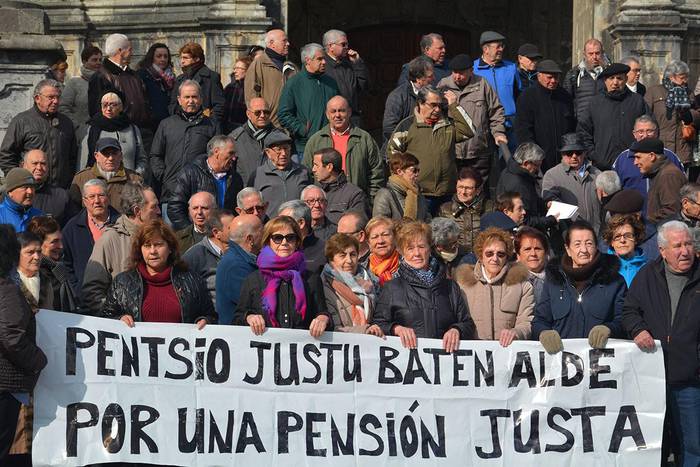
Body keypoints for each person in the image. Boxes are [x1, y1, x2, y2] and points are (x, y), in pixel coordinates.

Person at [622, 221, 700, 467]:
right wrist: (638, 329)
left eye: (688, 244)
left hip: (691, 380)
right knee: (654, 444)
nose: (685, 251)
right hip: (653, 379)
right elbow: (629, 310)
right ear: (662, 250)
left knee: (692, 444)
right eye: (677, 246)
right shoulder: (648, 275)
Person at [372, 221, 476, 351]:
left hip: (445, 363)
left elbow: (467, 324)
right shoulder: (392, 288)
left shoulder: (450, 287)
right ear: (402, 253)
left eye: (421, 247)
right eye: (410, 248)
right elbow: (378, 324)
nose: (416, 253)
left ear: (429, 249)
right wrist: (396, 328)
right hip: (408, 363)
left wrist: (457, 330)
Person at [533, 220, 626, 353]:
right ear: (568, 249)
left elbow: (623, 319)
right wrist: (543, 332)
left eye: (589, 244)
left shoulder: (614, 281)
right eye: (577, 244)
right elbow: (539, 320)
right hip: (562, 363)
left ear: (596, 246)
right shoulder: (554, 281)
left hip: (601, 364)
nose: (583, 250)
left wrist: (609, 328)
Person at [102, 218, 216, 326]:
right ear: (140, 249)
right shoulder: (122, 283)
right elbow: (105, 318)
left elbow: (210, 315)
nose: (152, 251)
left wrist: (205, 321)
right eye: (147, 245)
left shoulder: (191, 280)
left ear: (170, 248)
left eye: (158, 245)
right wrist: (118, 320)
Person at [234, 215, 331, 335]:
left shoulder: (311, 279)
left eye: (290, 238)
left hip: (301, 349)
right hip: (265, 349)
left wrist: (323, 319)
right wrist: (249, 317)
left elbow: (322, 312)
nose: (284, 242)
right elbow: (237, 319)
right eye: (278, 238)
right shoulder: (253, 279)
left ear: (297, 242)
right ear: (268, 242)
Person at [386, 86, 474, 213]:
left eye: (440, 105)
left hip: (447, 193)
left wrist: (454, 106)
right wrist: (404, 183)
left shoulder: (448, 124)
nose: (437, 109)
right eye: (433, 105)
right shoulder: (407, 125)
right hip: (419, 194)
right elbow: (393, 156)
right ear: (420, 103)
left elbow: (469, 131)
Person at [0, 224, 47, 462]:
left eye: (40, 251)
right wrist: (39, 360)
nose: (37, 257)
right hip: (9, 382)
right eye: (30, 251)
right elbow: (11, 337)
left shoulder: (53, 280)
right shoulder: (8, 288)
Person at [82, 182, 161, 313]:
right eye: (154, 207)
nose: (159, 211)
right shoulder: (110, 240)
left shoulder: (163, 238)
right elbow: (92, 291)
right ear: (137, 211)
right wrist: (114, 317)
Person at [150, 79, 218, 217]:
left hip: (200, 196)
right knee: (172, 238)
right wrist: (165, 178)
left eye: (194, 97)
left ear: (201, 99)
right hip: (171, 195)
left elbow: (216, 158)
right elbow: (155, 155)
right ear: (179, 99)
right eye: (187, 97)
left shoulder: (212, 125)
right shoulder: (166, 125)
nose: (191, 101)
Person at [454, 227, 534, 344]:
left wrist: (516, 332)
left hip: (507, 353)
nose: (495, 259)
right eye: (489, 253)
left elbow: (527, 322)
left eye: (500, 254)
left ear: (507, 257)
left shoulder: (522, 286)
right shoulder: (462, 284)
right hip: (473, 356)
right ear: (481, 255)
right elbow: (456, 320)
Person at [437, 53, 506, 188]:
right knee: (456, 189)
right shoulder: (443, 85)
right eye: (454, 72)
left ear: (471, 71)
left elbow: (496, 111)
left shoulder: (482, 84)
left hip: (479, 149)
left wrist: (498, 133)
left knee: (479, 188)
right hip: (453, 151)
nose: (457, 77)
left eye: (461, 73)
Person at [303, 96, 384, 199]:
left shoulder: (364, 139)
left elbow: (376, 173)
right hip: (324, 202)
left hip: (357, 201)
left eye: (341, 111)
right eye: (333, 111)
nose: (337, 115)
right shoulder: (315, 141)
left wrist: (371, 201)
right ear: (327, 115)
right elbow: (307, 174)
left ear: (349, 112)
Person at [0, 79, 76, 188]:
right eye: (50, 97)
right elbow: (6, 155)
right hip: (30, 190)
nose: (55, 101)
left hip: (59, 191)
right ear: (37, 98)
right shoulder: (22, 121)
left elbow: (72, 157)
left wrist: (68, 182)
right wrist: (18, 182)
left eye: (58, 97)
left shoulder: (66, 122)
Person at [577, 62, 647, 170]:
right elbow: (583, 132)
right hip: (603, 166)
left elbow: (650, 128)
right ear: (605, 81)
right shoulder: (595, 103)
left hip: (633, 164)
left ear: (626, 79)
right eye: (611, 78)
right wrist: (595, 156)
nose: (615, 82)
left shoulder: (637, 101)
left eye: (619, 78)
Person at [167, 134, 243, 230]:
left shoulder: (235, 178)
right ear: (216, 152)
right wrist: (191, 233)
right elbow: (175, 207)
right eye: (230, 153)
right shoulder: (190, 173)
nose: (234, 158)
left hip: (225, 236)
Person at [278, 43, 339, 156]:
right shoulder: (294, 83)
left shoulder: (331, 82)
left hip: (332, 143)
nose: (324, 62)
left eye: (324, 59)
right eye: (319, 59)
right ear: (307, 60)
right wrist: (303, 130)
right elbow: (283, 114)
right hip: (306, 146)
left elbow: (339, 107)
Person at [62, 179, 120, 297]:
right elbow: (65, 263)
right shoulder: (72, 228)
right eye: (92, 197)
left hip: (117, 296)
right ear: (84, 201)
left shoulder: (122, 225)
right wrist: (76, 289)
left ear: (108, 197)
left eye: (101, 195)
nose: (97, 201)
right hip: (83, 299)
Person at [515, 59, 575, 171]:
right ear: (539, 76)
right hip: (538, 161)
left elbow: (571, 126)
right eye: (549, 77)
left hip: (564, 159)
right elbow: (523, 130)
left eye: (556, 78)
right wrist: (532, 157)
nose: (553, 81)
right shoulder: (527, 97)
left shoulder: (565, 97)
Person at [612, 115, 683, 207]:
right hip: (633, 217)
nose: (645, 136)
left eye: (649, 131)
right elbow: (615, 192)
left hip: (664, 216)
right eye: (640, 131)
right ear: (634, 134)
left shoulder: (670, 156)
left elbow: (682, 188)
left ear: (657, 133)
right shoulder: (622, 159)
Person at [321, 233, 383, 335]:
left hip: (370, 345)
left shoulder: (370, 282)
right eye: (342, 255)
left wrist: (376, 328)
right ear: (331, 260)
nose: (349, 260)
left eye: (353, 255)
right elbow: (332, 329)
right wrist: (365, 330)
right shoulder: (323, 285)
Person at [88, 33, 150, 130]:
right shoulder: (101, 77)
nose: (132, 53)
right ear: (120, 51)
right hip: (117, 132)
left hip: (141, 131)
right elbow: (96, 111)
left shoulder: (134, 76)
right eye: (130, 50)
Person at [542, 133, 601, 232]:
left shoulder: (597, 174)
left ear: (584, 153)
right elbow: (551, 202)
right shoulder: (551, 175)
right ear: (562, 154)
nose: (574, 156)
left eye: (578, 152)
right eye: (569, 153)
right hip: (567, 236)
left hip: (596, 234)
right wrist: (575, 217)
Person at [645, 60, 699, 167]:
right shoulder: (654, 92)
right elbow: (645, 117)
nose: (685, 81)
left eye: (686, 77)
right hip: (660, 148)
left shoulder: (689, 93)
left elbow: (698, 114)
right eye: (682, 77)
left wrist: (690, 115)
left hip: (682, 149)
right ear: (671, 77)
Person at [472, 31, 520, 146]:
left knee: (510, 161)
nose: (501, 49)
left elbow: (518, 93)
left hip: (510, 125)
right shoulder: (473, 69)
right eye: (497, 46)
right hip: (483, 125)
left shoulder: (511, 67)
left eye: (502, 46)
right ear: (485, 49)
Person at [69, 137, 143, 211]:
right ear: (96, 156)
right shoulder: (81, 178)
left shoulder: (134, 179)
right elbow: (73, 211)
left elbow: (141, 209)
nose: (110, 158)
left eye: (114, 153)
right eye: (106, 153)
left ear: (120, 156)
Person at [79, 91, 146, 172]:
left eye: (113, 105)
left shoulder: (132, 129)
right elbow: (83, 161)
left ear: (121, 107)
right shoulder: (91, 129)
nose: (108, 109)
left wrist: (136, 176)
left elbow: (142, 159)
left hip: (128, 182)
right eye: (105, 105)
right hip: (99, 182)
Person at [249, 130, 312, 215]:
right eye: (278, 149)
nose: (283, 153)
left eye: (286, 148)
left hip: (297, 225)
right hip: (270, 226)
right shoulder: (257, 175)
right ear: (268, 152)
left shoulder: (303, 172)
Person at [215, 214, 263, 325]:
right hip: (238, 336)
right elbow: (256, 304)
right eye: (262, 230)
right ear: (250, 239)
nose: (266, 234)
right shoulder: (236, 266)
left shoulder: (241, 259)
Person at [497, 142, 557, 230]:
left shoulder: (509, 171)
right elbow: (525, 220)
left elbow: (531, 200)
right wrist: (551, 220)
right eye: (537, 165)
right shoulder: (519, 185)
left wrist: (544, 204)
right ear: (526, 163)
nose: (538, 169)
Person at [25, 216, 80, 311]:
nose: (61, 246)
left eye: (60, 240)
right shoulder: (33, 275)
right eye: (54, 242)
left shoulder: (57, 269)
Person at [182, 209, 234, 304]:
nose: (238, 231)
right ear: (216, 233)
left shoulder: (238, 251)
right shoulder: (194, 256)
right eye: (231, 228)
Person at [438, 167, 493, 254]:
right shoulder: (445, 210)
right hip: (456, 261)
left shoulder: (490, 208)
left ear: (478, 190)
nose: (463, 192)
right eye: (460, 187)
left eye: (468, 188)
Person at [631, 138, 687, 224]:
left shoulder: (668, 175)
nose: (635, 162)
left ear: (652, 156)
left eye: (638, 157)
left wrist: (647, 220)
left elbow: (673, 211)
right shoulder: (660, 173)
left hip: (667, 232)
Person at [322, 29, 369, 127]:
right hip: (333, 122)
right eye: (343, 44)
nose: (347, 48)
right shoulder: (322, 67)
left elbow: (362, 86)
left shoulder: (348, 64)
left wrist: (357, 63)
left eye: (347, 44)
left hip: (352, 120)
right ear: (331, 46)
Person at [382, 56, 434, 144]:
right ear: (419, 79)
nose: (434, 79)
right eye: (430, 76)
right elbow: (389, 128)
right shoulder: (398, 96)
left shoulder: (432, 93)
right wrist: (409, 143)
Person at [169, 42, 225, 123]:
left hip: (205, 126)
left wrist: (210, 123)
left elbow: (219, 106)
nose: (182, 61)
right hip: (182, 125)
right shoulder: (179, 80)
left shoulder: (211, 77)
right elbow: (172, 105)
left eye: (185, 58)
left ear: (197, 59)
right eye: (181, 58)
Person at [244, 29, 290, 126]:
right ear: (272, 43)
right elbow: (251, 98)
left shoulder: (290, 66)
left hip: (291, 126)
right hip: (270, 126)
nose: (288, 44)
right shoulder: (258, 65)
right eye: (284, 41)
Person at [311, 146, 368, 223]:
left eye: (316, 165)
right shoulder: (314, 192)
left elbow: (356, 226)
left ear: (329, 167)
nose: (313, 169)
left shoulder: (355, 195)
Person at [59, 45, 102, 141]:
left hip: (103, 133)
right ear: (84, 61)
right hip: (81, 136)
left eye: (100, 60)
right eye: (94, 60)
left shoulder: (106, 81)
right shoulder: (74, 83)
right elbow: (63, 108)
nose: (98, 63)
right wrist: (78, 126)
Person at [229, 97, 275, 186]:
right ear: (248, 114)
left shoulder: (279, 137)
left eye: (266, 112)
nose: (262, 115)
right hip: (247, 193)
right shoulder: (235, 139)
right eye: (258, 112)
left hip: (273, 192)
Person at [373, 152, 430, 222]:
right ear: (399, 172)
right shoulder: (384, 194)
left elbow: (427, 218)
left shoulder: (417, 193)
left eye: (418, 170)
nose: (417, 174)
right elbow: (380, 224)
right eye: (414, 170)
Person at [21, 149, 71, 225]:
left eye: (43, 164)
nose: (39, 167)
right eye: (35, 163)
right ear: (24, 166)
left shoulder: (61, 196)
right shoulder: (11, 194)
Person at [564, 38, 608, 121]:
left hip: (604, 122)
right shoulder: (574, 74)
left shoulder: (610, 73)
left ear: (602, 53)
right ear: (584, 54)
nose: (594, 57)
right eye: (591, 54)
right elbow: (567, 101)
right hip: (582, 124)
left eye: (597, 53)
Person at [278, 199, 326, 273]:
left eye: (285, 221)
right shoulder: (275, 247)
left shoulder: (324, 251)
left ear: (301, 223)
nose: (278, 226)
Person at [137, 43, 176, 129]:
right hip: (150, 123)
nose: (163, 59)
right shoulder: (143, 75)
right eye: (159, 56)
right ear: (152, 58)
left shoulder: (171, 77)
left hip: (169, 121)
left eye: (165, 56)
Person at [602, 213, 647, 286]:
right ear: (611, 242)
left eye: (628, 235)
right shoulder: (602, 269)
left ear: (635, 239)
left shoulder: (647, 269)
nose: (622, 240)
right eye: (617, 236)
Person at [0, 168, 42, 232]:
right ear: (10, 192)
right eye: (24, 187)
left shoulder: (40, 216)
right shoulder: (1, 215)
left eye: (32, 187)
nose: (30, 191)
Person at [514, 226, 549, 302]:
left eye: (537, 249)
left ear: (546, 253)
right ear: (518, 255)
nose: (533, 254)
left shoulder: (560, 279)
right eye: (527, 249)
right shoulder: (511, 283)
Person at [366, 216, 400, 286]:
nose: (380, 241)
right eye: (375, 237)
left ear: (395, 238)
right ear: (368, 243)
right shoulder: (362, 270)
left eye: (385, 235)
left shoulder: (408, 266)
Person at [223, 56, 251, 133]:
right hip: (228, 129)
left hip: (246, 128)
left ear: (247, 70)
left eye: (238, 68)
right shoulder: (230, 87)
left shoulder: (252, 88)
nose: (235, 71)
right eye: (234, 68)